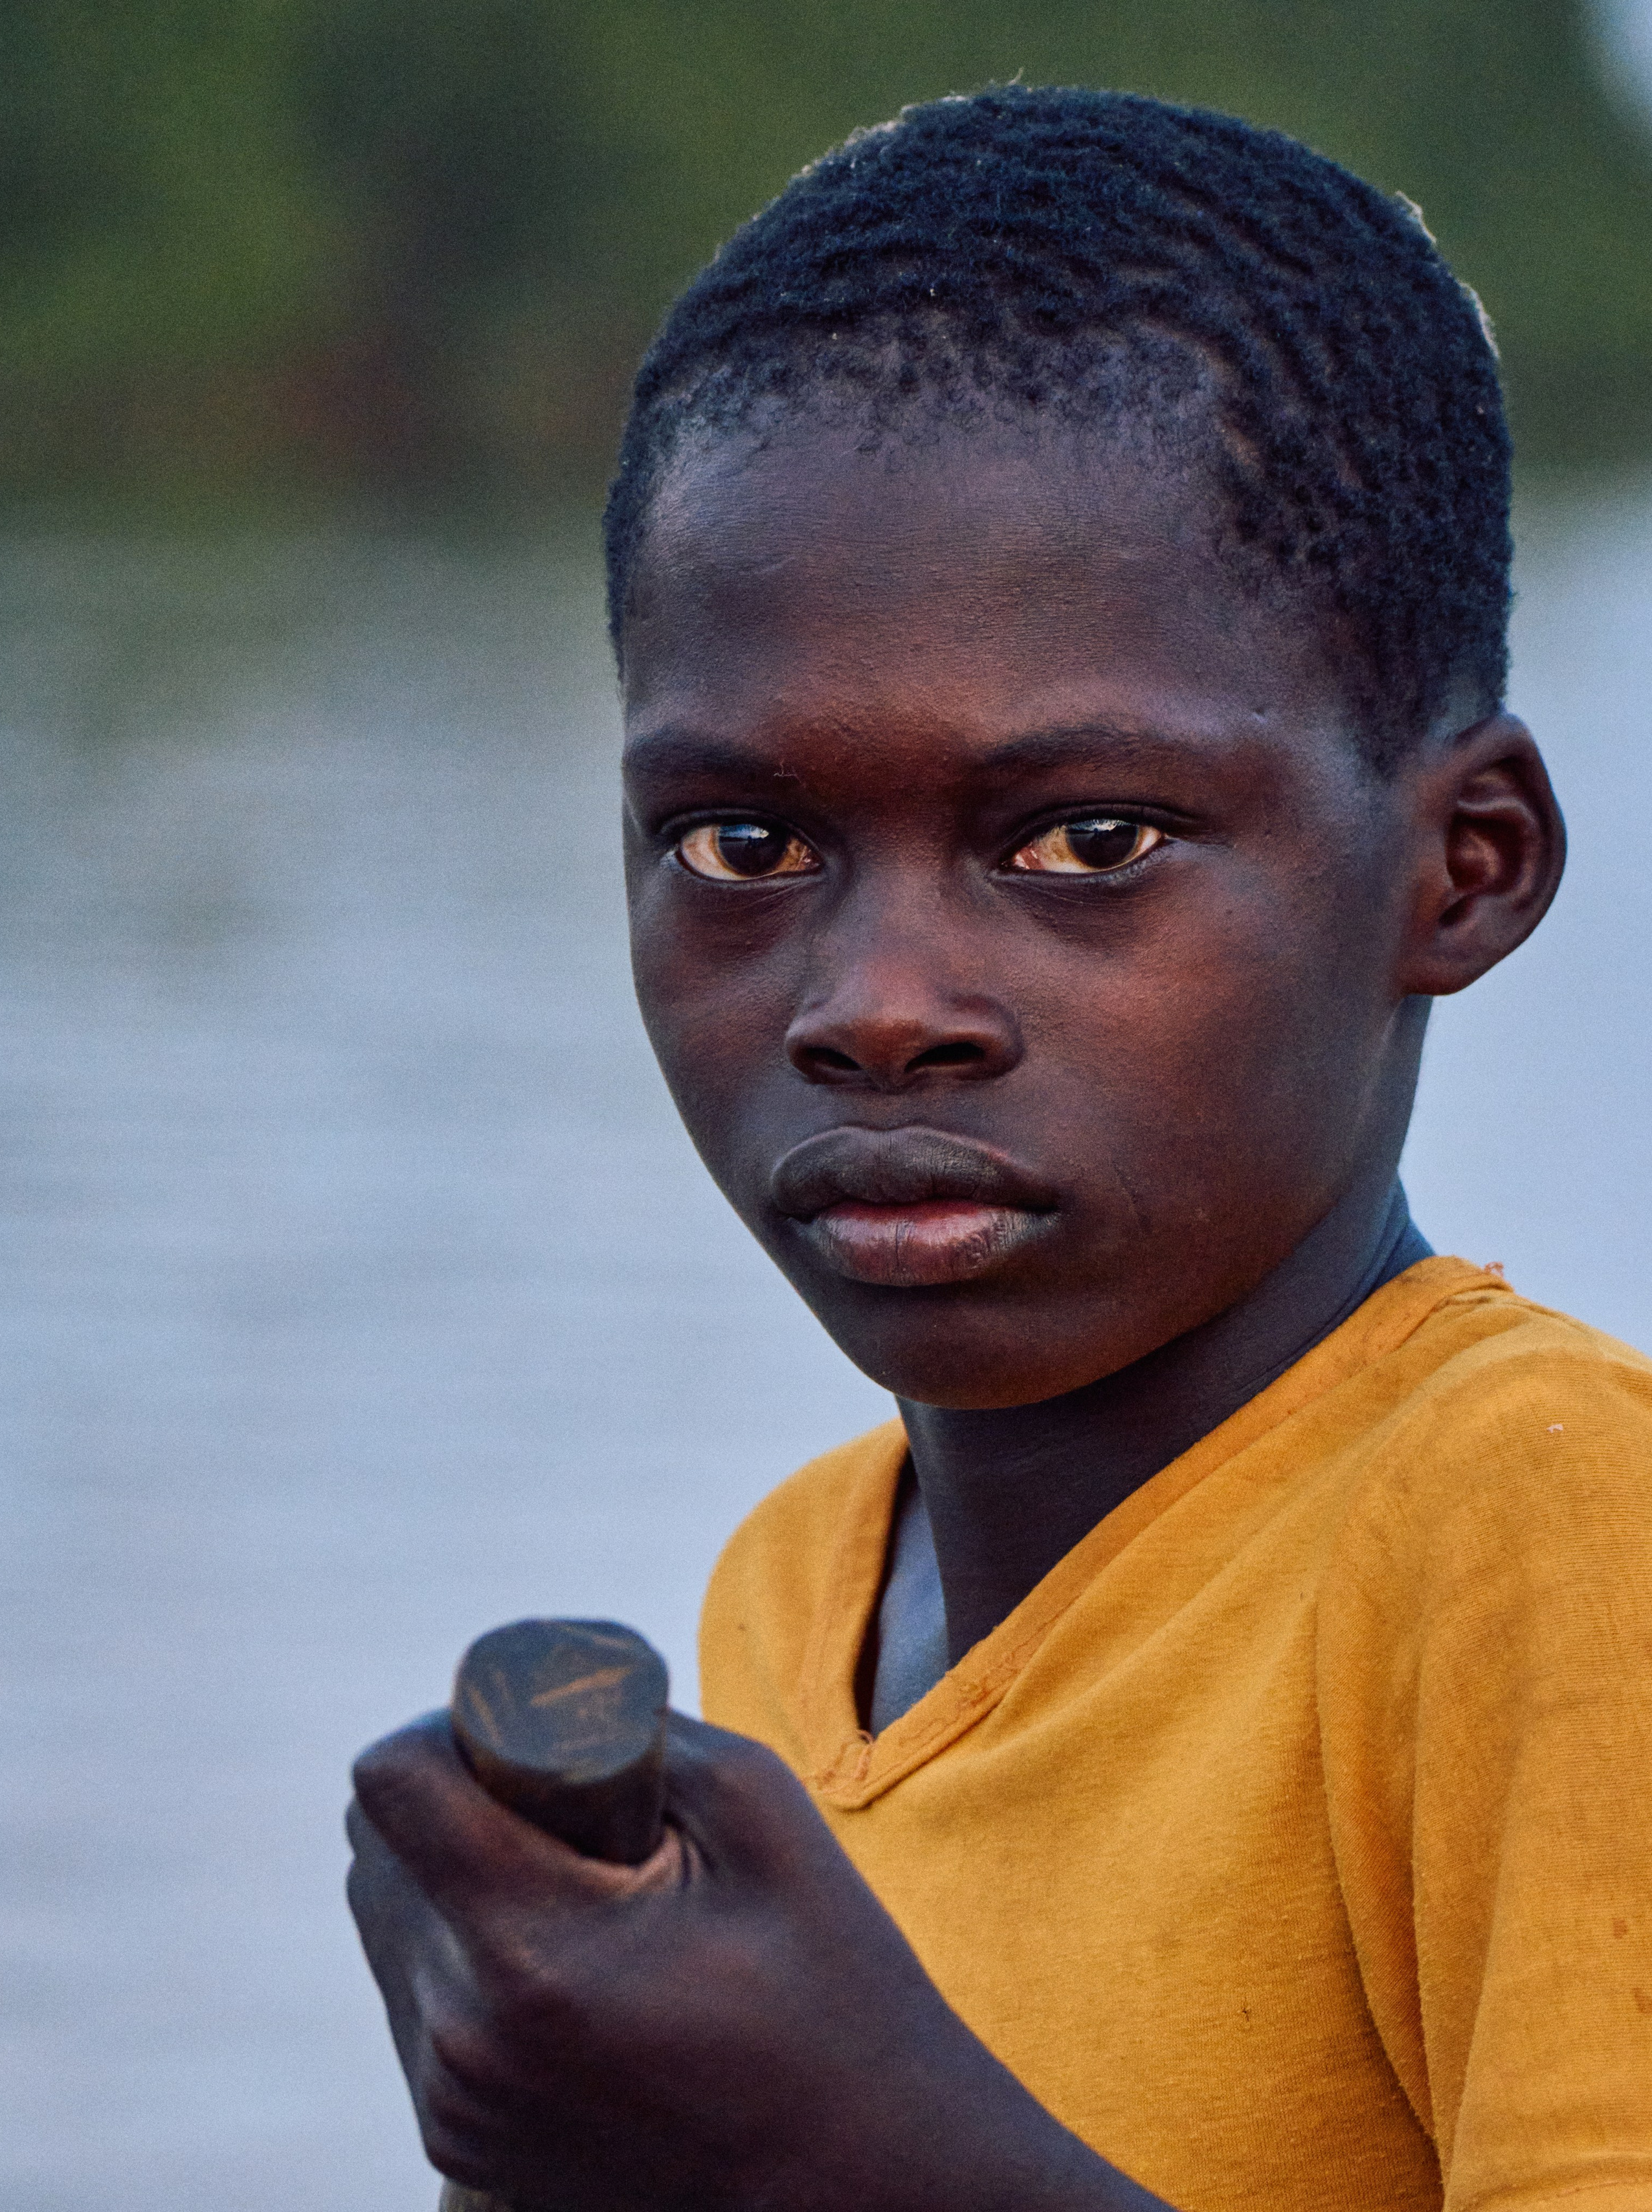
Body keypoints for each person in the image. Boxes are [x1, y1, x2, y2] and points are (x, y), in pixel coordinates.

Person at [346, 86, 1652, 2212]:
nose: (872, 1000)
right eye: (743, 842)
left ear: (1465, 870)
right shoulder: (801, 1587)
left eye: (1086, 840)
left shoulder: (1545, 1523)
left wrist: (851, 2143)